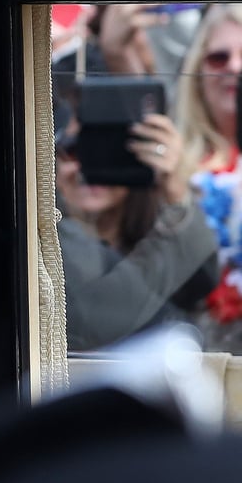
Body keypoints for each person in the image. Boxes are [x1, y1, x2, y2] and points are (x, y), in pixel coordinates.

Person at [54, 101, 218, 351]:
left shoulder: (156, 229)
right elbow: (97, 319)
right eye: (74, 151)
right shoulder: (42, 249)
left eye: (107, 152)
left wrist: (174, 188)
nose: (87, 166)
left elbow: (200, 285)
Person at [171, 4, 242, 348]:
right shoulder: (172, 163)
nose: (235, 67)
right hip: (198, 352)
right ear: (198, 72)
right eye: (219, 57)